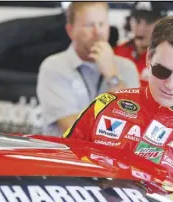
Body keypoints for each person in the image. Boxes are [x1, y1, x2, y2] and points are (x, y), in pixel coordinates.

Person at [63, 15, 173, 202]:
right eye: (162, 71)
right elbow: (61, 168)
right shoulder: (106, 105)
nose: (170, 84)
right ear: (149, 58)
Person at [37, 2, 140, 137]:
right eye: (89, 25)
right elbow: (73, 131)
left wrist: (112, 76)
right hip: (67, 156)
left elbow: (132, 128)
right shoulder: (53, 67)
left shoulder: (127, 68)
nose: (97, 33)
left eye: (102, 24)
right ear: (70, 31)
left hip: (112, 157)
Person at [114, 2, 173, 106]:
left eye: (148, 22)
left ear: (162, 25)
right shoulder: (117, 52)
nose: (140, 28)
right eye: (137, 21)